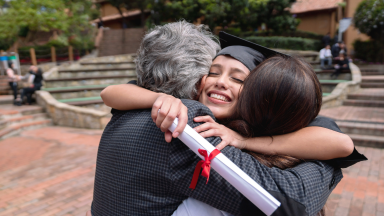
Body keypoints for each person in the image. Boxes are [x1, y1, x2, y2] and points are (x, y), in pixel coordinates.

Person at [91, 22, 363, 216]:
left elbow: (336, 140)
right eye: (214, 72)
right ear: (197, 80)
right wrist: (331, 166)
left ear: (257, 95)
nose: (221, 83)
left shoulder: (132, 113)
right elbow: (291, 202)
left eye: (238, 78)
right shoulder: (186, 120)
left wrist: (245, 140)